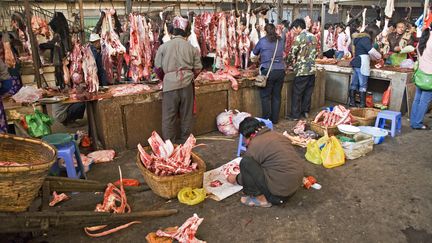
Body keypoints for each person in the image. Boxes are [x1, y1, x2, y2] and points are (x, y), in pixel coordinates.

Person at [227, 117, 304, 207]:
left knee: (246, 162)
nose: (245, 142)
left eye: (245, 139)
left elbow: (250, 174)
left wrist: (236, 178)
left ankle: (261, 199)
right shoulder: (278, 135)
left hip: (279, 195)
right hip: (294, 187)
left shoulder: (255, 144)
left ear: (251, 136)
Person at [154, 16, 202, 143]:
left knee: (168, 118)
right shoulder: (192, 48)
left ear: (173, 32)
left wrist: (166, 79)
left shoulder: (163, 47)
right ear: (186, 33)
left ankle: (170, 145)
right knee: (187, 116)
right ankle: (186, 143)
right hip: (187, 86)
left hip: (169, 86)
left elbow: (158, 68)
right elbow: (198, 69)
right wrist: (189, 76)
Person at [252, 24, 285, 124]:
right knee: (276, 96)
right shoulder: (281, 40)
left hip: (268, 71)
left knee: (265, 96)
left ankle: (266, 120)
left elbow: (254, 54)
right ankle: (275, 119)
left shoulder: (262, 41)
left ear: (265, 31)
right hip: (280, 71)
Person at [286, 18, 318, 120]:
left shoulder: (299, 38)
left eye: (295, 29)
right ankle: (305, 112)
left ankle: (295, 115)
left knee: (297, 93)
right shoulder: (314, 37)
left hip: (302, 70)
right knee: (308, 92)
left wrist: (288, 63)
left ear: (299, 27)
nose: (294, 31)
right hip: (312, 70)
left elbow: (292, 53)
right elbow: (316, 53)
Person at [349, 25, 381, 107]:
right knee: (363, 85)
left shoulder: (358, 38)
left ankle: (352, 102)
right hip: (362, 63)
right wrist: (379, 57)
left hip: (356, 62)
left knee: (354, 84)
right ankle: (362, 104)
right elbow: (371, 51)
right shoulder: (365, 39)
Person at [410, 24, 432, 130]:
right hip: (430, 75)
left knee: (417, 99)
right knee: (424, 101)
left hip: (420, 73)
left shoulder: (425, 36)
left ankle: (413, 120)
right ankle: (417, 123)